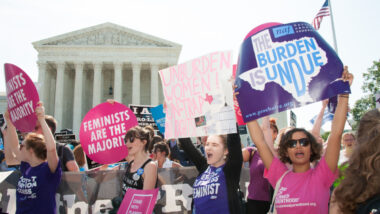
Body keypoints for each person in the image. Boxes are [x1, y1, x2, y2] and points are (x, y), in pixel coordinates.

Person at [244, 67, 353, 214]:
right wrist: (244, 100)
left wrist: (344, 93)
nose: (298, 146)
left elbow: (336, 134)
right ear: (286, 150)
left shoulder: (323, 174)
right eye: (291, 143)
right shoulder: (279, 174)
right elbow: (260, 142)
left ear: (312, 148)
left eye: (304, 142)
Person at [4, 102, 62, 214]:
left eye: (22, 146)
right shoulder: (27, 166)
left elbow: (51, 149)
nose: (19, 148)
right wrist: (9, 121)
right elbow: (14, 146)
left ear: (31, 150)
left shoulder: (49, 169)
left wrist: (41, 119)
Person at [178, 131, 243, 214]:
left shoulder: (230, 170)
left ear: (226, 150)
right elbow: (185, 143)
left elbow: (234, 139)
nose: (208, 147)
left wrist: (230, 121)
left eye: (214, 145)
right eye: (207, 144)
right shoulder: (204, 167)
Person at [331, 108, 380, 214]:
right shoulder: (345, 183)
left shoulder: (344, 189)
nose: (349, 142)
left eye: (350, 139)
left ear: (358, 138)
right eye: (346, 139)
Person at [122, 125, 157, 193]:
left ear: (144, 142)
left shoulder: (150, 166)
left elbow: (146, 199)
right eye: (126, 140)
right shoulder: (131, 161)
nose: (127, 143)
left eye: (132, 139)